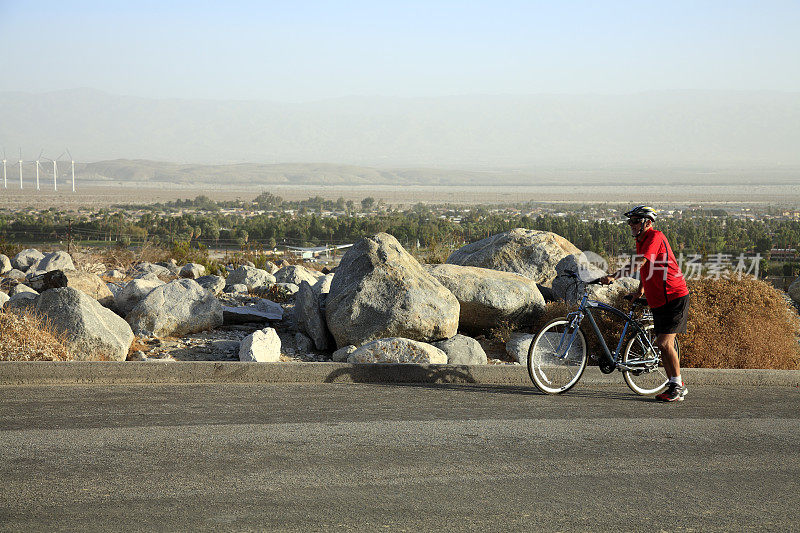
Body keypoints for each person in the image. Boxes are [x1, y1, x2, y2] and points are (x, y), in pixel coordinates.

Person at [599, 205, 690, 402]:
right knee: (661, 344)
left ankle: (678, 386)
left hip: (674, 296)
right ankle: (673, 383)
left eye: (635, 221)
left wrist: (614, 276)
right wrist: (640, 291)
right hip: (657, 299)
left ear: (647, 223)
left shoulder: (655, 237)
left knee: (664, 343)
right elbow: (645, 268)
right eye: (630, 221)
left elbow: (640, 263)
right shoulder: (642, 241)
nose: (631, 224)